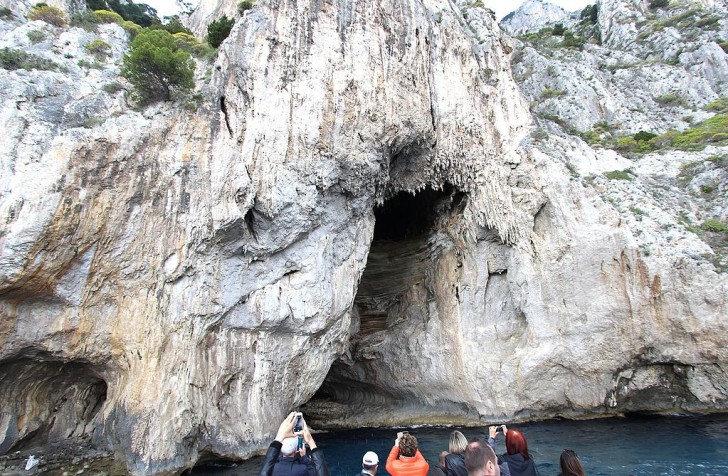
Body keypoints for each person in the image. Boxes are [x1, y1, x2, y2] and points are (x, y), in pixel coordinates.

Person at [258, 412, 329, 476]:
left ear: (281, 449)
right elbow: (314, 471)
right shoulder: (301, 470)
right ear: (296, 449)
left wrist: (280, 437)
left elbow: (268, 464)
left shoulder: (272, 468)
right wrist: (304, 456)